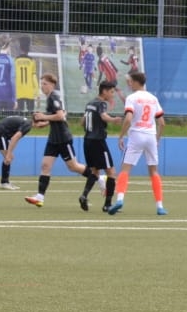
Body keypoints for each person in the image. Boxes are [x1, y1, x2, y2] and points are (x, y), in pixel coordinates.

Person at [23, 72, 94, 207]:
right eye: (41, 84)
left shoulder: (54, 96)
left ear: (52, 85)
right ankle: (40, 197)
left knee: (73, 166)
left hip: (63, 138)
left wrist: (43, 116)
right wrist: (45, 123)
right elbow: (58, 116)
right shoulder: (50, 98)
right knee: (45, 166)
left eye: (45, 84)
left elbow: (60, 116)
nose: (42, 86)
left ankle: (99, 178)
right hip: (53, 139)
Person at [106, 71, 167, 216]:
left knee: (125, 169)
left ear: (135, 82)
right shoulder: (153, 98)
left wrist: (121, 136)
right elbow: (162, 123)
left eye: (130, 81)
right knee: (153, 172)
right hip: (150, 136)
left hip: (136, 136)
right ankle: (160, 206)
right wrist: (157, 139)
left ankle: (120, 199)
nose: (129, 84)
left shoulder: (132, 98)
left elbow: (128, 119)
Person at [78, 80, 123, 212]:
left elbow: (82, 122)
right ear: (104, 91)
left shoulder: (90, 103)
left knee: (95, 172)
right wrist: (113, 119)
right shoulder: (101, 103)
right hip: (98, 141)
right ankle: (107, 204)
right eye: (111, 92)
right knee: (111, 172)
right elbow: (103, 116)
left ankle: (84, 195)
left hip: (87, 141)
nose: (113, 95)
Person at [0, 113, 33, 190]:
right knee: (9, 157)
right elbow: (14, 138)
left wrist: (9, 153)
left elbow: (14, 138)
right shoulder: (28, 125)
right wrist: (9, 153)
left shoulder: (26, 122)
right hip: (0, 133)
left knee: (9, 157)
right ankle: (4, 183)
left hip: (0, 132)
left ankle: (5, 182)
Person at [14, 36, 37, 114]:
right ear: (29, 48)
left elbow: (14, 77)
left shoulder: (16, 60)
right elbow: (34, 77)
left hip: (19, 91)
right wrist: (37, 92)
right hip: (29, 91)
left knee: (18, 113)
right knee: (31, 113)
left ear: (20, 47)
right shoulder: (32, 61)